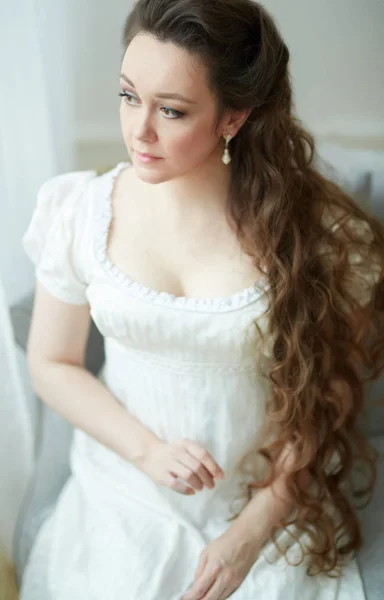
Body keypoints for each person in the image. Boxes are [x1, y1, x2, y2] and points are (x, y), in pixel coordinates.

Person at [19, 0, 384, 598]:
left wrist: (254, 526)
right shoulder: (80, 212)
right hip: (127, 476)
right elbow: (50, 363)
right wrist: (147, 453)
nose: (139, 130)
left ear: (232, 117)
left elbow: (335, 394)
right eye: (128, 96)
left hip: (267, 488)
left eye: (172, 110)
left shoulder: (316, 235)